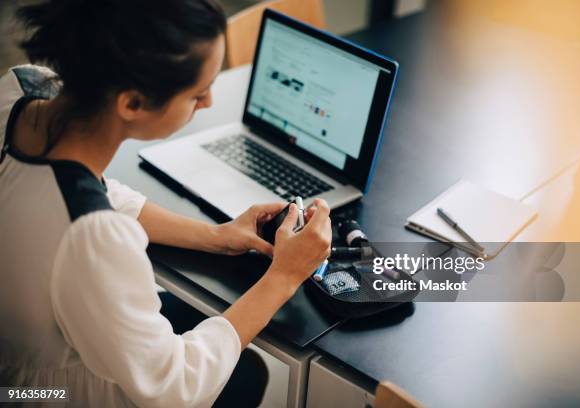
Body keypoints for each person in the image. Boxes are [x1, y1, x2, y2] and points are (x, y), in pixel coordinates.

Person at [0, 0, 332, 406]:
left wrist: (217, 235)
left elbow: (88, 192)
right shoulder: (94, 238)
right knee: (244, 376)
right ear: (132, 103)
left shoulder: (21, 91)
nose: (209, 102)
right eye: (198, 93)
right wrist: (284, 276)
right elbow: (176, 388)